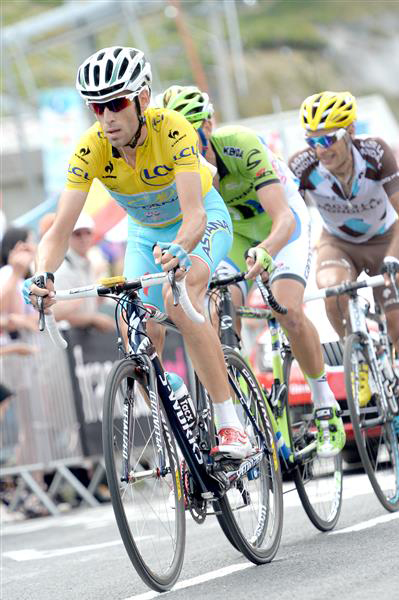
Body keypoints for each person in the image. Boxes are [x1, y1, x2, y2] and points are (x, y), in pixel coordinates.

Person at [23, 46, 255, 460]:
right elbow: (58, 231)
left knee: (180, 301)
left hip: (197, 224)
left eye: (116, 103)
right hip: (145, 234)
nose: (107, 117)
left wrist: (183, 250)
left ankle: (229, 421)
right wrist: (43, 273)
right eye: (97, 107)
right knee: (138, 331)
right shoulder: (89, 149)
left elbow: (195, 212)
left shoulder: (174, 129)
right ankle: (176, 410)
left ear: (143, 99)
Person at [161, 85, 345, 458]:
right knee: (213, 309)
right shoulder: (177, 166)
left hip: (280, 227)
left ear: (209, 125)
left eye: (191, 133)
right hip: (234, 236)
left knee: (289, 309)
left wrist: (267, 251)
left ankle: (324, 403)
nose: (185, 144)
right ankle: (239, 398)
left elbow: (284, 219)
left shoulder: (240, 144)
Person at [289, 91, 399, 404]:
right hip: (338, 243)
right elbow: (290, 216)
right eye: (312, 141)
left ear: (350, 131)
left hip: (386, 237)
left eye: (328, 140)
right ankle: (358, 356)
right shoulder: (303, 165)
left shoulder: (376, 152)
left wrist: (393, 258)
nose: (320, 149)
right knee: (332, 289)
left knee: (396, 322)